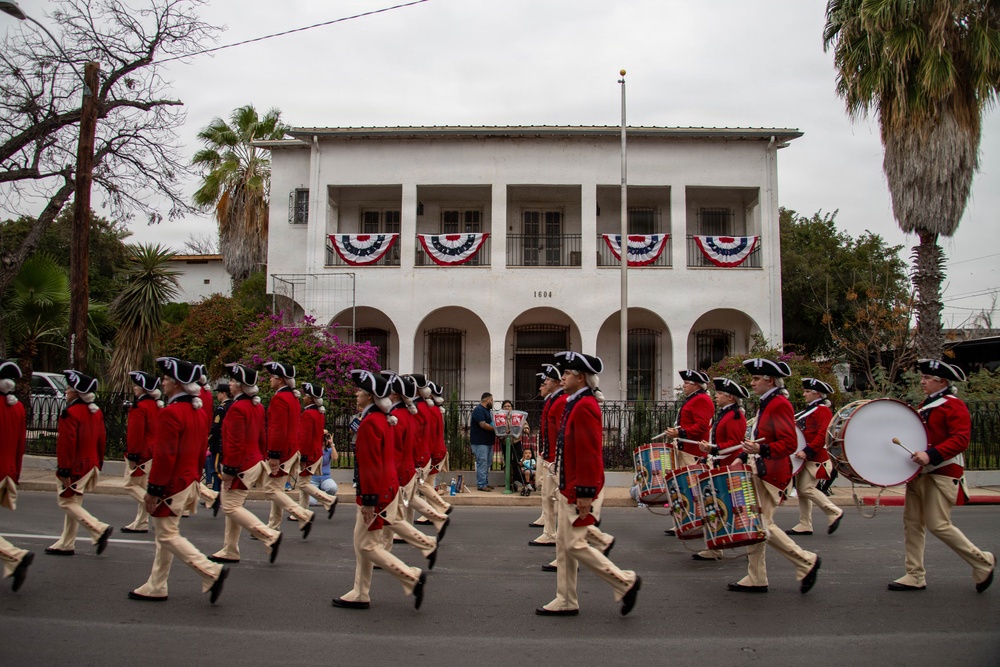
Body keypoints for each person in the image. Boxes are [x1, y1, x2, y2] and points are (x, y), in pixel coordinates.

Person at [536, 351, 641, 617]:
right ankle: (566, 598)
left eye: (568, 373)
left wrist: (584, 492)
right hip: (569, 483)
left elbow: (588, 452)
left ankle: (624, 581)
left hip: (580, 487)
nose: (563, 378)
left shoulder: (583, 405)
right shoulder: (575, 401)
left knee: (573, 545)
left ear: (580, 377)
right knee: (563, 546)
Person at [888, 359, 995, 593]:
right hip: (920, 473)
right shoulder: (928, 404)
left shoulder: (952, 405)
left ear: (942, 382)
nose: (922, 381)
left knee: (939, 525)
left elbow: (960, 439)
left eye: (927, 378)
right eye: (923, 377)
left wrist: (931, 455)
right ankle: (914, 574)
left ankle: (982, 561)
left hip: (942, 473)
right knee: (912, 523)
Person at [128, 357, 229, 604]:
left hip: (171, 483)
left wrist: (154, 489)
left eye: (165, 379)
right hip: (185, 479)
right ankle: (156, 584)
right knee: (165, 535)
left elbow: (165, 456)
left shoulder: (171, 413)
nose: (162, 382)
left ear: (177, 383)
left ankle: (210, 571)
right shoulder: (195, 410)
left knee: (166, 535)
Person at [332, 370, 427, 611]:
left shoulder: (370, 423)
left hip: (376, 492)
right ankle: (360, 592)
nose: (356, 394)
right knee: (363, 543)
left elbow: (371, 465)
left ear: (370, 395)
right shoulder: (382, 418)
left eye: (360, 391)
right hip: (385, 489)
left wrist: (369, 501)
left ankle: (410, 576)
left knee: (366, 545)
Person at [728, 358, 820, 595]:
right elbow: (761, 437)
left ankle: (805, 560)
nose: (752, 382)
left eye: (756, 378)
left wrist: (761, 450)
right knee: (756, 524)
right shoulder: (768, 402)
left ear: (769, 380)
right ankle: (756, 577)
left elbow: (788, 443)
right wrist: (742, 454)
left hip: (773, 473)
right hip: (763, 468)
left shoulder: (779, 404)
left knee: (761, 524)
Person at [209, 363, 282, 565]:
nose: (230, 384)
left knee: (230, 506)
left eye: (233, 381)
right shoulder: (256, 406)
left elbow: (234, 443)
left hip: (240, 464)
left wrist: (230, 470)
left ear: (240, 386)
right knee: (235, 505)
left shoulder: (236, 408)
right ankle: (230, 548)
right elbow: (261, 435)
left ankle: (269, 535)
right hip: (254, 460)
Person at [45, 370, 113, 557]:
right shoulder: (95, 412)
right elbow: (102, 439)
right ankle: (66, 542)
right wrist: (98, 462)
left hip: (76, 466)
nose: (66, 391)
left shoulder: (71, 412)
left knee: (66, 502)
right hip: (90, 464)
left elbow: (67, 445)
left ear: (76, 392)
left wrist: (64, 470)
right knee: (73, 502)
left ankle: (98, 529)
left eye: (68, 388)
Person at [382, 374, 445, 556]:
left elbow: (415, 439)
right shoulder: (413, 410)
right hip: (414, 460)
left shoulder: (404, 413)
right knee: (408, 499)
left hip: (409, 463)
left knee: (399, 505)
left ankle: (437, 518)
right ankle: (434, 521)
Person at [693, 376, 750, 561]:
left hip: (727, 467)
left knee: (724, 507)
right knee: (715, 506)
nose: (715, 396)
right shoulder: (725, 413)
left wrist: (713, 449)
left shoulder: (735, 415)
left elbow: (735, 443)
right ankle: (715, 547)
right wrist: (707, 453)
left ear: (730, 397)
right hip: (719, 463)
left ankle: (729, 543)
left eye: (719, 394)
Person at [261, 361, 314, 535]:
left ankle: (302, 514)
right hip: (292, 448)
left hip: (282, 451)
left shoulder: (279, 398)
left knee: (271, 489)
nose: (270, 379)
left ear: (280, 380)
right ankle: (273, 526)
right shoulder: (292, 397)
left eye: (272, 377)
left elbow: (277, 428)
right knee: (277, 489)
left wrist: (274, 454)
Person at [786, 378, 843, 536]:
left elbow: (822, 434)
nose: (804, 394)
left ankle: (834, 511)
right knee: (802, 491)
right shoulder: (810, 410)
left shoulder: (822, 410)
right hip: (806, 457)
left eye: (807, 391)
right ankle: (805, 523)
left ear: (817, 393)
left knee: (806, 489)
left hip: (816, 458)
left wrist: (807, 450)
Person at [662, 369, 714, 536]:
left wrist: (680, 433)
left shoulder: (701, 400)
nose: (683, 385)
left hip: (694, 451)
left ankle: (697, 523)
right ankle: (685, 521)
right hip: (686, 448)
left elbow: (701, 427)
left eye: (687, 383)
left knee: (693, 489)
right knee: (684, 488)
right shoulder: (694, 399)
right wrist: (678, 430)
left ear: (696, 385)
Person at [0, 359, 34, 592]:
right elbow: (21, 445)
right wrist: (16, 474)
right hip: (8, 471)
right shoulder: (18, 408)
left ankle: (16, 555)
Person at [121, 370, 162, 534]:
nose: (134, 388)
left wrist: (133, 455)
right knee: (143, 485)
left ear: (144, 388)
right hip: (153, 451)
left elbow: (135, 434)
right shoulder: (155, 405)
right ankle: (141, 522)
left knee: (130, 485)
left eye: (137, 385)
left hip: (142, 453)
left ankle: (155, 506)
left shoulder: (139, 406)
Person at [530, 364, 564, 548]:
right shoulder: (553, 400)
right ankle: (550, 532)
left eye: (547, 381)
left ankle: (590, 533)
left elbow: (560, 433)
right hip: (549, 455)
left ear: (556, 383)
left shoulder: (560, 401)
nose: (543, 384)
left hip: (554, 457)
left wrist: (553, 457)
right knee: (547, 494)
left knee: (558, 498)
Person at [296, 382, 338, 518]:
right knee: (305, 483)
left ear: (311, 398)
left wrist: (303, 457)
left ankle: (329, 500)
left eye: (306, 396)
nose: (303, 398)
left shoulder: (308, 414)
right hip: (316, 453)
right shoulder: (318, 413)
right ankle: (303, 511)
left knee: (303, 484)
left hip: (309, 454)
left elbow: (306, 438)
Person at [205, 381, 233, 516]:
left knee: (216, 470)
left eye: (219, 393)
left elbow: (216, 427)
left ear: (224, 393)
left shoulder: (222, 408)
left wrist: (208, 440)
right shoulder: (233, 405)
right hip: (227, 442)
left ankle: (219, 495)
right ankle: (216, 495)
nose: (218, 396)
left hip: (219, 443)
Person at [469, 392, 495, 491]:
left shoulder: (488, 411)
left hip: (488, 441)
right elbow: (483, 425)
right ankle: (481, 484)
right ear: (487, 400)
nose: (492, 402)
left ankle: (485, 482)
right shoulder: (479, 410)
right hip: (480, 441)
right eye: (491, 400)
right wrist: (496, 429)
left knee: (487, 463)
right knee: (482, 462)